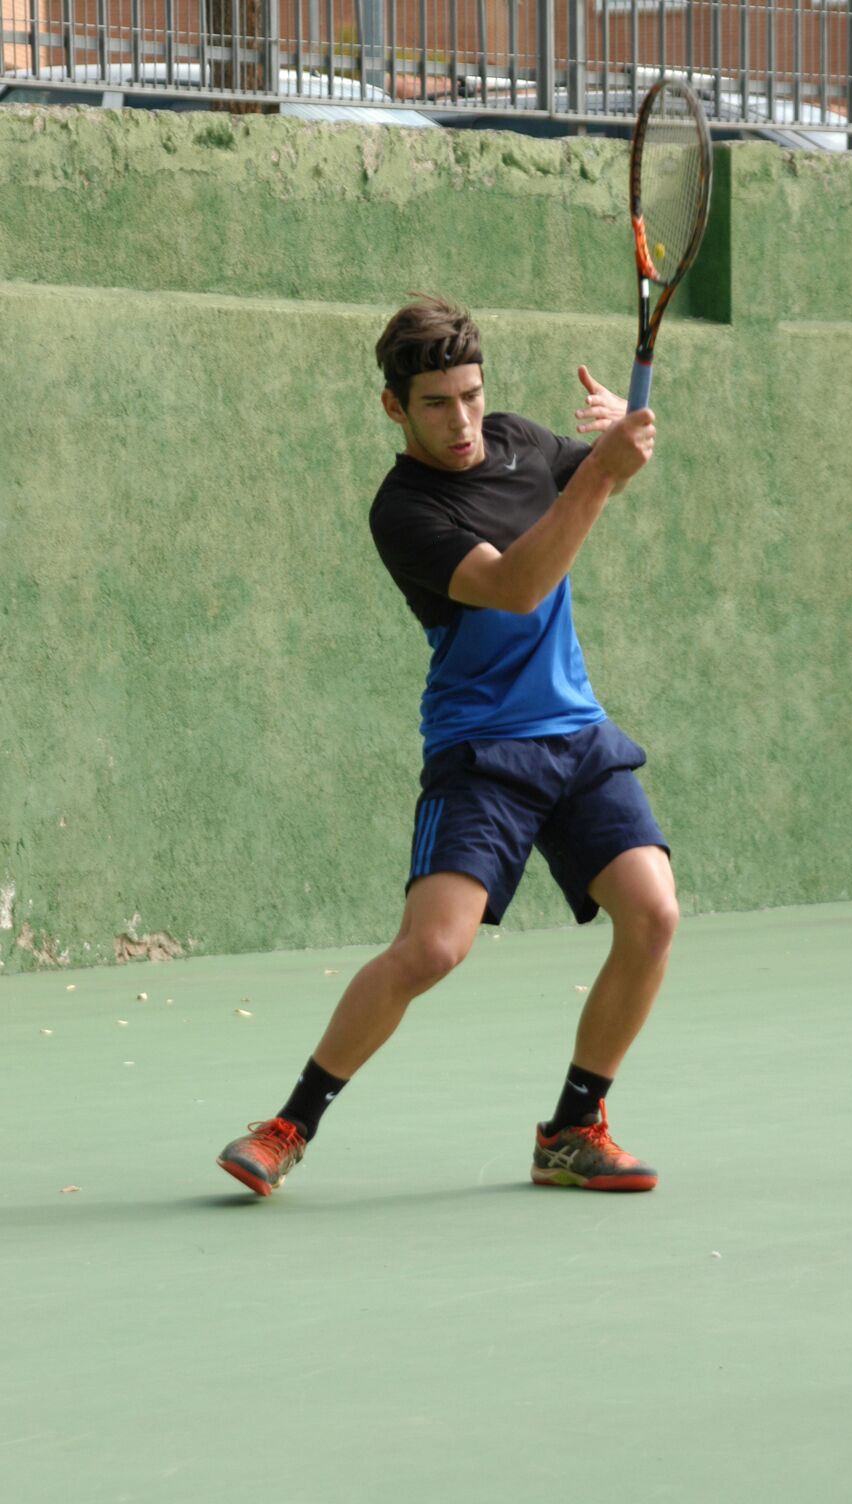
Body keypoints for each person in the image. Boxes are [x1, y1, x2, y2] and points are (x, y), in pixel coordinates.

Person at [217, 295, 679, 1197]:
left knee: (654, 914)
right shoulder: (404, 511)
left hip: (577, 735)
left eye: (471, 395)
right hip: (484, 753)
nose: (464, 421)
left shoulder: (520, 439)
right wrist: (599, 479)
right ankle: (288, 1124)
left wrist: (624, 444)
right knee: (432, 949)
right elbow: (515, 585)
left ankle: (574, 1130)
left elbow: (603, 475)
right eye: (437, 404)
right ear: (395, 407)